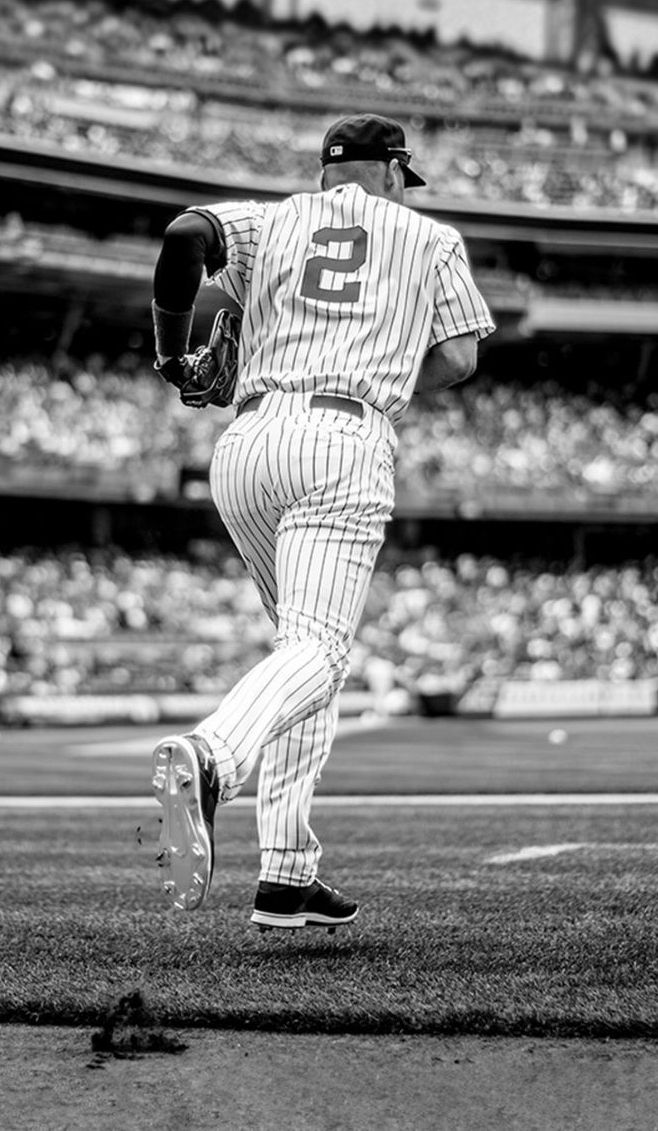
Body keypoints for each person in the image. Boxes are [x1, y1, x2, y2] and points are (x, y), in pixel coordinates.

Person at [150, 112, 495, 930]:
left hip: (246, 443)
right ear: (389, 171)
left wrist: (172, 354)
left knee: (303, 654)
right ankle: (213, 759)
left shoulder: (271, 221)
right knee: (320, 647)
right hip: (343, 433)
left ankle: (287, 872)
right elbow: (460, 357)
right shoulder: (429, 237)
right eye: (400, 175)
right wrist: (385, 356)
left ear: (326, 174)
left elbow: (183, 236)